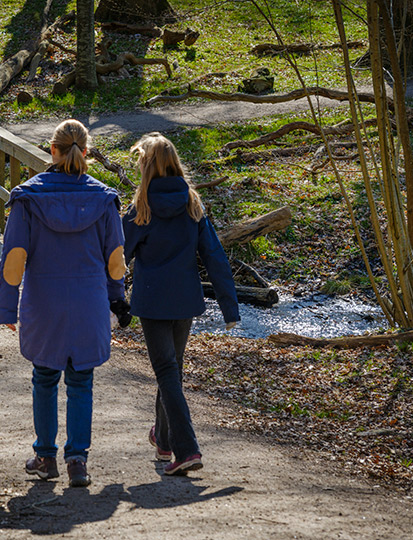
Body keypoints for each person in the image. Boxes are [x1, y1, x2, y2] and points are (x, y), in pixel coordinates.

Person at [0, 119, 130, 488]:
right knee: (81, 381)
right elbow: (115, 261)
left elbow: (14, 259)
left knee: (44, 377)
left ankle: (45, 457)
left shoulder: (27, 198)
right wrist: (118, 301)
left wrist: (8, 308)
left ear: (51, 151)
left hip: (44, 301)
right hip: (89, 301)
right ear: (86, 153)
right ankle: (78, 462)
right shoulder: (104, 199)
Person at [122, 132, 240, 476]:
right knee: (172, 369)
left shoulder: (140, 207)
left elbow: (116, 258)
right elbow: (215, 257)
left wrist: (107, 298)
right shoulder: (192, 204)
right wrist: (229, 309)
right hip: (186, 301)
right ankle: (163, 439)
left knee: (167, 372)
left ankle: (186, 450)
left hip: (153, 301)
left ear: (146, 166)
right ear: (174, 163)